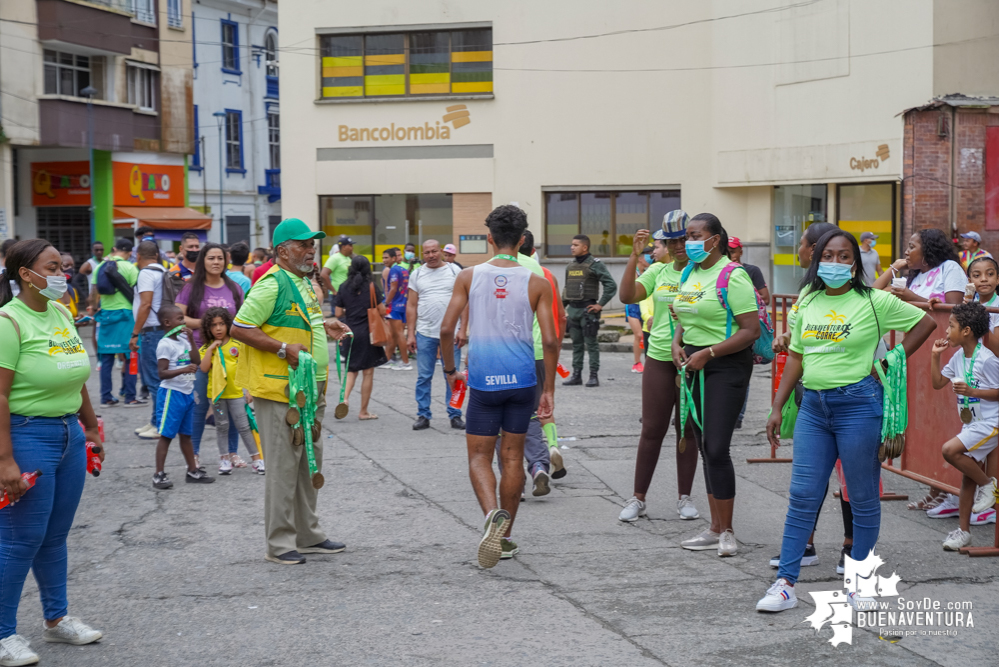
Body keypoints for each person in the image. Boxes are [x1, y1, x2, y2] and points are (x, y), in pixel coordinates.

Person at [758, 229, 935, 613]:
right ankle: (785, 584)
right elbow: (798, 357)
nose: (835, 263)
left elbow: (925, 323)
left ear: (855, 263)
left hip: (859, 405)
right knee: (803, 496)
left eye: (844, 257)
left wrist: (890, 360)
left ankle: (860, 583)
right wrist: (777, 405)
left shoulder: (874, 301)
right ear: (817, 259)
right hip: (813, 409)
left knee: (863, 495)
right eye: (829, 256)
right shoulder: (807, 299)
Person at [0, 239, 104, 664]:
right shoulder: (9, 322)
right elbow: (0, 396)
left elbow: (75, 374)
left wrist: (93, 425)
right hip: (28, 436)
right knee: (20, 539)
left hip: (70, 434)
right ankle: (4, 633)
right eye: (53, 266)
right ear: (26, 274)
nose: (63, 273)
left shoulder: (61, 312)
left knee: (55, 536)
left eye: (63, 265)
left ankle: (56, 621)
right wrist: (5, 460)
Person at [439, 205, 558, 568]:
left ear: (489, 238)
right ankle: (504, 538)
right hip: (522, 380)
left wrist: (449, 370)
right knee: (511, 458)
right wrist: (548, 389)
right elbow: (551, 340)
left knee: (478, 456)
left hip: (484, 381)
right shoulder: (537, 281)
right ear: (522, 241)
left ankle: (492, 515)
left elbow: (447, 330)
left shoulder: (468, 276)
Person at [231, 218, 351, 565]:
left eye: (313, 245)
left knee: (307, 463)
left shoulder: (301, 282)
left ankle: (308, 534)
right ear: (283, 251)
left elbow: (302, 321)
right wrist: (283, 349)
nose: (311, 250)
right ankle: (280, 542)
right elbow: (240, 327)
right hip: (280, 390)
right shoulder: (271, 283)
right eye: (304, 244)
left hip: (308, 389)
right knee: (284, 467)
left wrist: (324, 325)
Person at [671, 213, 759, 557]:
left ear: (715, 239)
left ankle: (728, 532)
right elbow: (683, 314)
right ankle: (714, 526)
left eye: (694, 236)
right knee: (704, 445)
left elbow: (749, 331)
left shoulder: (732, 275)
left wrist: (708, 353)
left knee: (718, 447)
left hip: (725, 365)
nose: (687, 243)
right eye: (686, 236)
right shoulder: (689, 272)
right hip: (693, 363)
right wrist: (679, 343)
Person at [770, 221, 855, 571]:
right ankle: (805, 545)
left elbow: (917, 325)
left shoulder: (864, 296)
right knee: (810, 477)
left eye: (804, 245)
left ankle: (852, 548)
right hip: (813, 398)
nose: (802, 252)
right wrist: (790, 337)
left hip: (854, 402)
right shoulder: (807, 294)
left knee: (853, 478)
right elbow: (801, 345)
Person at [618, 211, 700, 523]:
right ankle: (638, 498)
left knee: (687, 430)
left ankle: (684, 497)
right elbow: (627, 295)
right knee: (652, 428)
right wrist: (633, 255)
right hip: (659, 358)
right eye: (672, 240)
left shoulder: (703, 272)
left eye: (684, 238)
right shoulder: (658, 271)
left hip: (693, 358)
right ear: (664, 243)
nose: (679, 245)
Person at [929, 302, 999, 550]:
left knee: (949, 450)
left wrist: (973, 391)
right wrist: (935, 356)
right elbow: (937, 383)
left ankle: (989, 485)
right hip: (971, 424)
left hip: (990, 423)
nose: (946, 331)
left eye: (951, 326)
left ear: (966, 331)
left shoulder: (987, 359)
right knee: (967, 477)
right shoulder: (959, 357)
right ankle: (964, 531)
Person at [176, 243, 245, 470]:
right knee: (198, 405)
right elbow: (178, 317)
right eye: (211, 258)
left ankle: (232, 453)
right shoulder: (191, 288)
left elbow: (244, 319)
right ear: (202, 261)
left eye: (219, 258)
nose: (216, 262)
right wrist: (206, 324)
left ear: (225, 261)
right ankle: (194, 453)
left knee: (233, 403)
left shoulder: (234, 288)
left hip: (230, 355)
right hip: (199, 354)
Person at [518, 229, 568, 490]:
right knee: (544, 405)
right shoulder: (546, 274)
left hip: (513, 350)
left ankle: (522, 471)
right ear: (533, 250)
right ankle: (552, 446)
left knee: (516, 414)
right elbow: (561, 317)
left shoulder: (506, 269)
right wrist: (555, 350)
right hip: (541, 350)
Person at [152, 304, 213, 489]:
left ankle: (192, 471)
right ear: (167, 322)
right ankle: (159, 474)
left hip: (187, 393)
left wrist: (192, 341)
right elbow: (161, 373)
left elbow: (197, 361)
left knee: (186, 435)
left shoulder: (182, 340)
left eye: (183, 318)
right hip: (172, 393)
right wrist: (183, 370)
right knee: (167, 435)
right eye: (179, 319)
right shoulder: (165, 344)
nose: (183, 322)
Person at [406, 240, 465, 431]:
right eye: (426, 253)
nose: (431, 255)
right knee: (424, 376)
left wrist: (463, 329)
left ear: (440, 251)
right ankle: (423, 414)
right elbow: (412, 305)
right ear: (422, 254)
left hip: (452, 334)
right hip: (425, 332)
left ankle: (455, 414)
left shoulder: (454, 271)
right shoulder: (417, 274)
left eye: (434, 251)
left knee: (453, 375)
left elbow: (466, 301)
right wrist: (411, 334)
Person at [198, 307, 264, 475]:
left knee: (243, 426)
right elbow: (204, 368)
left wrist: (249, 390)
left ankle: (257, 460)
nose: (218, 328)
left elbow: (247, 368)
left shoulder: (237, 345)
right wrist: (212, 348)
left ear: (228, 324)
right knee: (222, 426)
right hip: (217, 396)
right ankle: (224, 459)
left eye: (221, 324)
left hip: (236, 394)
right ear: (208, 328)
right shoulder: (207, 348)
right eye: (213, 325)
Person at [334, 256, 388, 420]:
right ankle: (363, 411)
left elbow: (337, 313)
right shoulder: (371, 287)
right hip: (368, 334)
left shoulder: (343, 287)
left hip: (350, 332)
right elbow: (382, 311)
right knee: (368, 372)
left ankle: (344, 399)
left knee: (351, 370)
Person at [562, 234, 617, 387]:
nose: (572, 247)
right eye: (571, 244)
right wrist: (561, 308)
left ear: (585, 247)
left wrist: (600, 304)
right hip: (573, 311)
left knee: (591, 344)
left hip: (588, 312)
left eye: (575, 245)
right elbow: (567, 290)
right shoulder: (570, 266)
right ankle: (576, 375)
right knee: (576, 345)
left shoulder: (595, 264)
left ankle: (593, 376)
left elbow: (611, 285)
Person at [727, 236, 770, 429]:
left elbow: (765, 298)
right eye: (727, 252)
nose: (731, 256)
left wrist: (744, 297)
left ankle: (737, 415)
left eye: (733, 251)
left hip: (747, 331)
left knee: (742, 373)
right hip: (727, 331)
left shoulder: (751, 271)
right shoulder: (720, 273)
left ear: (741, 251)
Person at [95, 238, 141, 408]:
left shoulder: (101, 267)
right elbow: (137, 292)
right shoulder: (130, 267)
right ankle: (130, 397)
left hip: (106, 315)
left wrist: (94, 309)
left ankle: (106, 397)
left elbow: (95, 291)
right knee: (130, 357)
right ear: (130, 253)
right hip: (127, 316)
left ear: (114, 249)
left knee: (106, 358)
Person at [130, 241, 169, 440]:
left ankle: (160, 424)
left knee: (154, 381)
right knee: (158, 380)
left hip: (151, 332)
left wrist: (135, 333)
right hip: (162, 330)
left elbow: (145, 304)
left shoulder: (146, 273)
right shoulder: (163, 270)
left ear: (138, 256)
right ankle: (155, 420)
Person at [874, 228, 964, 305]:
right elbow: (873, 293)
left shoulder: (949, 267)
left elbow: (954, 309)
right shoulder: (915, 276)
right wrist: (895, 266)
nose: (906, 252)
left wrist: (912, 297)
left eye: (911, 247)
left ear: (927, 250)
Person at [383, 248, 412, 372]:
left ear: (393, 258)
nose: (384, 261)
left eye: (386, 258)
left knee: (399, 334)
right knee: (394, 335)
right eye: (383, 258)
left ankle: (406, 362)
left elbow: (393, 288)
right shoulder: (404, 270)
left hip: (395, 306)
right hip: (403, 305)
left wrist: (386, 303)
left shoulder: (393, 270)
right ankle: (386, 360)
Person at [625, 250, 649, 374]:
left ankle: (646, 361)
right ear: (640, 258)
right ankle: (636, 362)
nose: (650, 258)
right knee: (638, 335)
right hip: (633, 307)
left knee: (645, 335)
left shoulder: (647, 272)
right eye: (648, 256)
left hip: (644, 306)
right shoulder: (633, 272)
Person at [320, 235, 353, 299]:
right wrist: (333, 291)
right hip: (338, 294)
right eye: (350, 245)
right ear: (344, 247)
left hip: (347, 293)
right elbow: (323, 274)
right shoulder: (335, 258)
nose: (352, 248)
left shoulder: (348, 258)